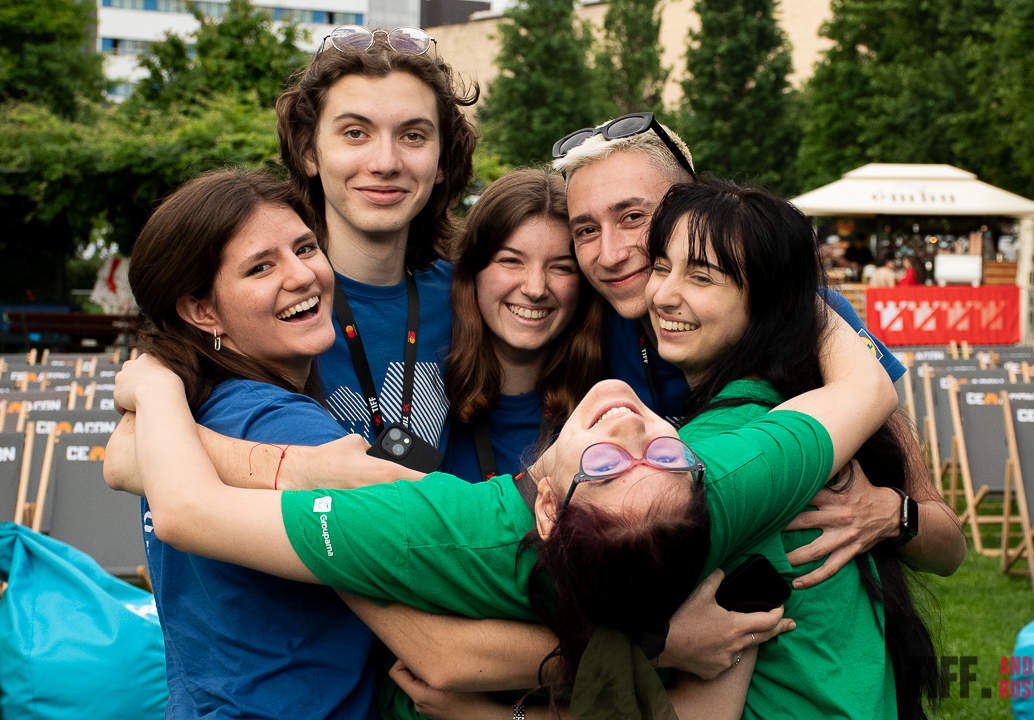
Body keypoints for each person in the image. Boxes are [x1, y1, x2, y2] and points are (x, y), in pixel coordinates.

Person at [108, 286, 897, 719]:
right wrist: (783, 275)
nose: (629, 427)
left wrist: (150, 382)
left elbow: (182, 509)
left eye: (609, 462)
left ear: (549, 506)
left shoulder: (444, 529)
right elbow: (863, 382)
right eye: (661, 449)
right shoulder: (718, 486)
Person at [550, 116, 962, 590]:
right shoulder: (582, 335)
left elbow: (948, 546)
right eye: (585, 230)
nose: (609, 253)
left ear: (689, 208)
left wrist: (891, 514)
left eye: (632, 218)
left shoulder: (809, 317)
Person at [645, 178, 954, 719]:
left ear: (767, 305)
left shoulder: (725, 449)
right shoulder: (818, 412)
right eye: (660, 267)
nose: (664, 294)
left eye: (701, 277)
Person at [124, 169, 410, 720]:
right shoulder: (275, 421)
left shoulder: (185, 415)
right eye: (261, 266)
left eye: (305, 248)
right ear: (203, 311)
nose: (302, 275)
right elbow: (434, 548)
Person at [278, 26, 478, 451]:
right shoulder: (263, 301)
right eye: (355, 132)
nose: (386, 162)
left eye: (413, 136)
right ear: (309, 151)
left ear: (441, 160)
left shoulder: (473, 300)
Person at [441, 169, 604, 481]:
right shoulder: (430, 399)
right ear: (472, 271)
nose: (535, 288)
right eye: (511, 261)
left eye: (561, 267)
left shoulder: (602, 410)